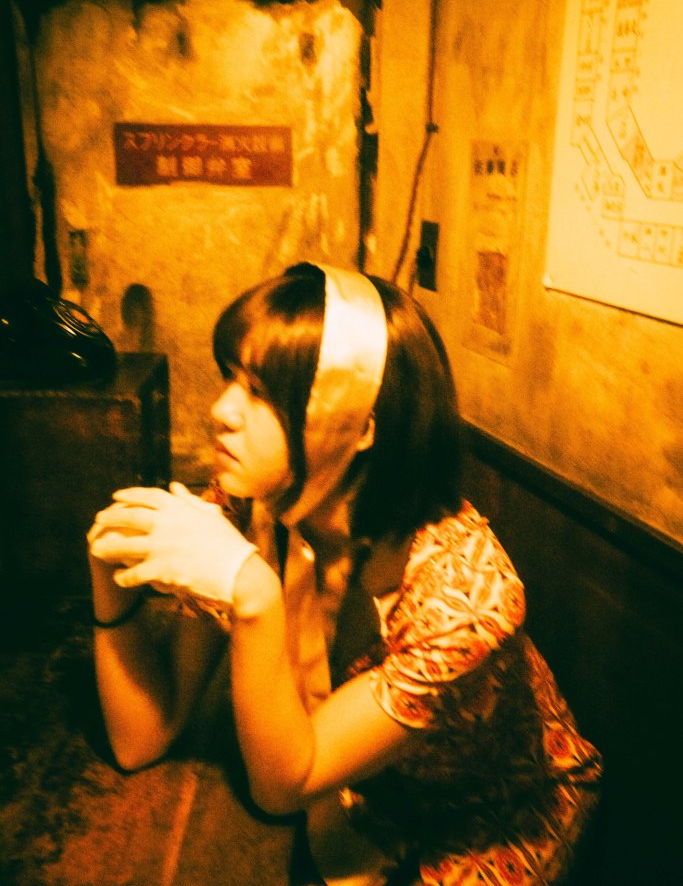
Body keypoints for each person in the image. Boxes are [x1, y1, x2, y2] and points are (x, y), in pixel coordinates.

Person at [87, 262, 602, 886]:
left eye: (261, 392)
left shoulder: (465, 595)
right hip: (362, 795)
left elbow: (283, 787)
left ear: (358, 426)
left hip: (494, 816)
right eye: (230, 378)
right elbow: (142, 739)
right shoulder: (252, 508)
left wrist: (254, 592)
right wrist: (108, 582)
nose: (221, 410)